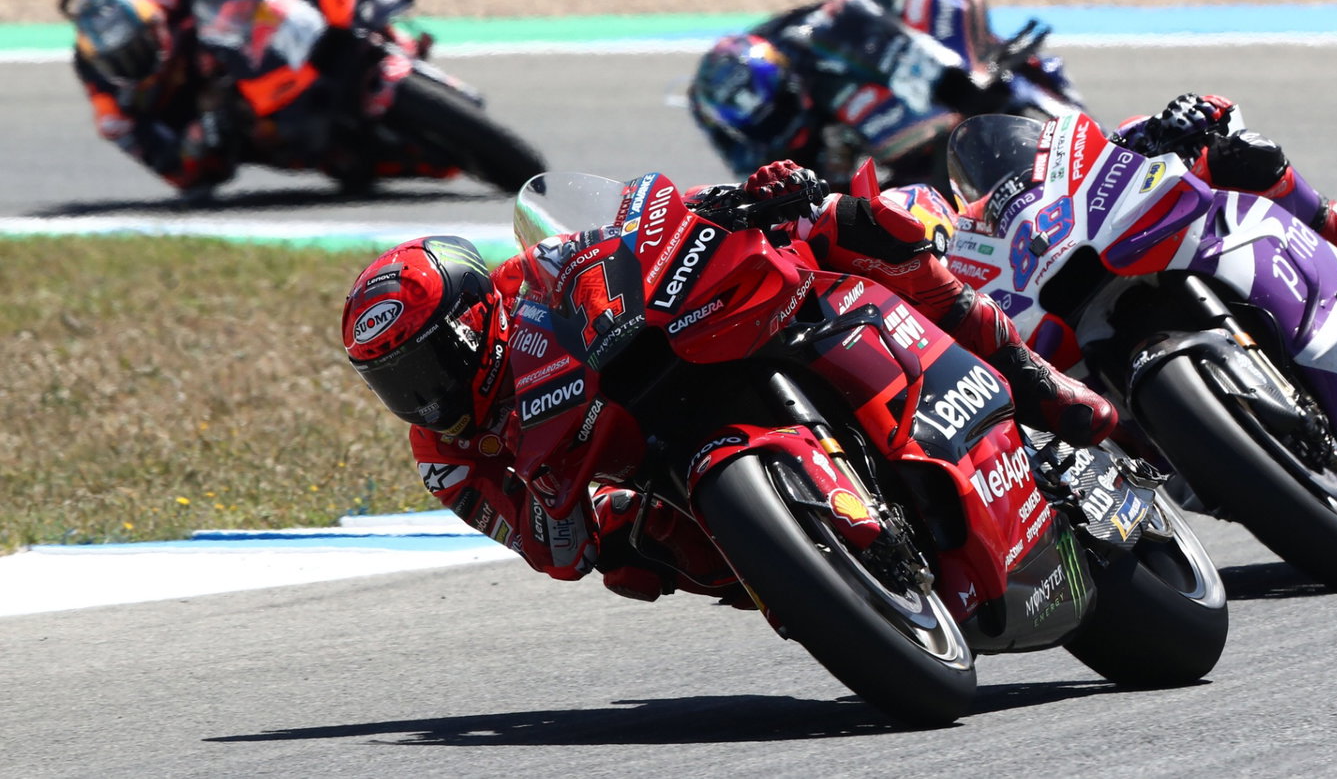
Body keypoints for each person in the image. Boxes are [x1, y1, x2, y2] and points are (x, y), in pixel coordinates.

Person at [341, 160, 1117, 604]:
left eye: (429, 366)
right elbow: (551, 550)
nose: (426, 397)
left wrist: (733, 200)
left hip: (683, 347)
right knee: (633, 559)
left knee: (848, 222)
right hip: (650, 463)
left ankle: (1032, 376)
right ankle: (819, 583)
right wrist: (587, 507)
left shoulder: (525, 277)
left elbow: (628, 234)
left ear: (476, 318)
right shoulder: (445, 456)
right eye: (398, 384)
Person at [68, 0, 435, 199]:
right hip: (226, 117)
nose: (137, 59)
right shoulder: (110, 104)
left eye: (140, 44)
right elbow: (175, 173)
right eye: (123, 58)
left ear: (152, 20)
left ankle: (381, 35)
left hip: (247, 56)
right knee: (317, 154)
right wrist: (197, 139)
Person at [687, 0, 1083, 191]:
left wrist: (953, 84)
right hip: (824, 136)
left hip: (876, 40)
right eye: (766, 121)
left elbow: (867, 24)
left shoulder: (802, 40)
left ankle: (983, 86)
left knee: (877, 24)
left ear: (784, 77)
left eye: (780, 107)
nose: (779, 120)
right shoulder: (716, 118)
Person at [1110, 93, 1337, 334]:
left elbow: (1109, 143)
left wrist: (1159, 128)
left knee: (1249, 153)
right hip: (1113, 261)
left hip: (1187, 229)